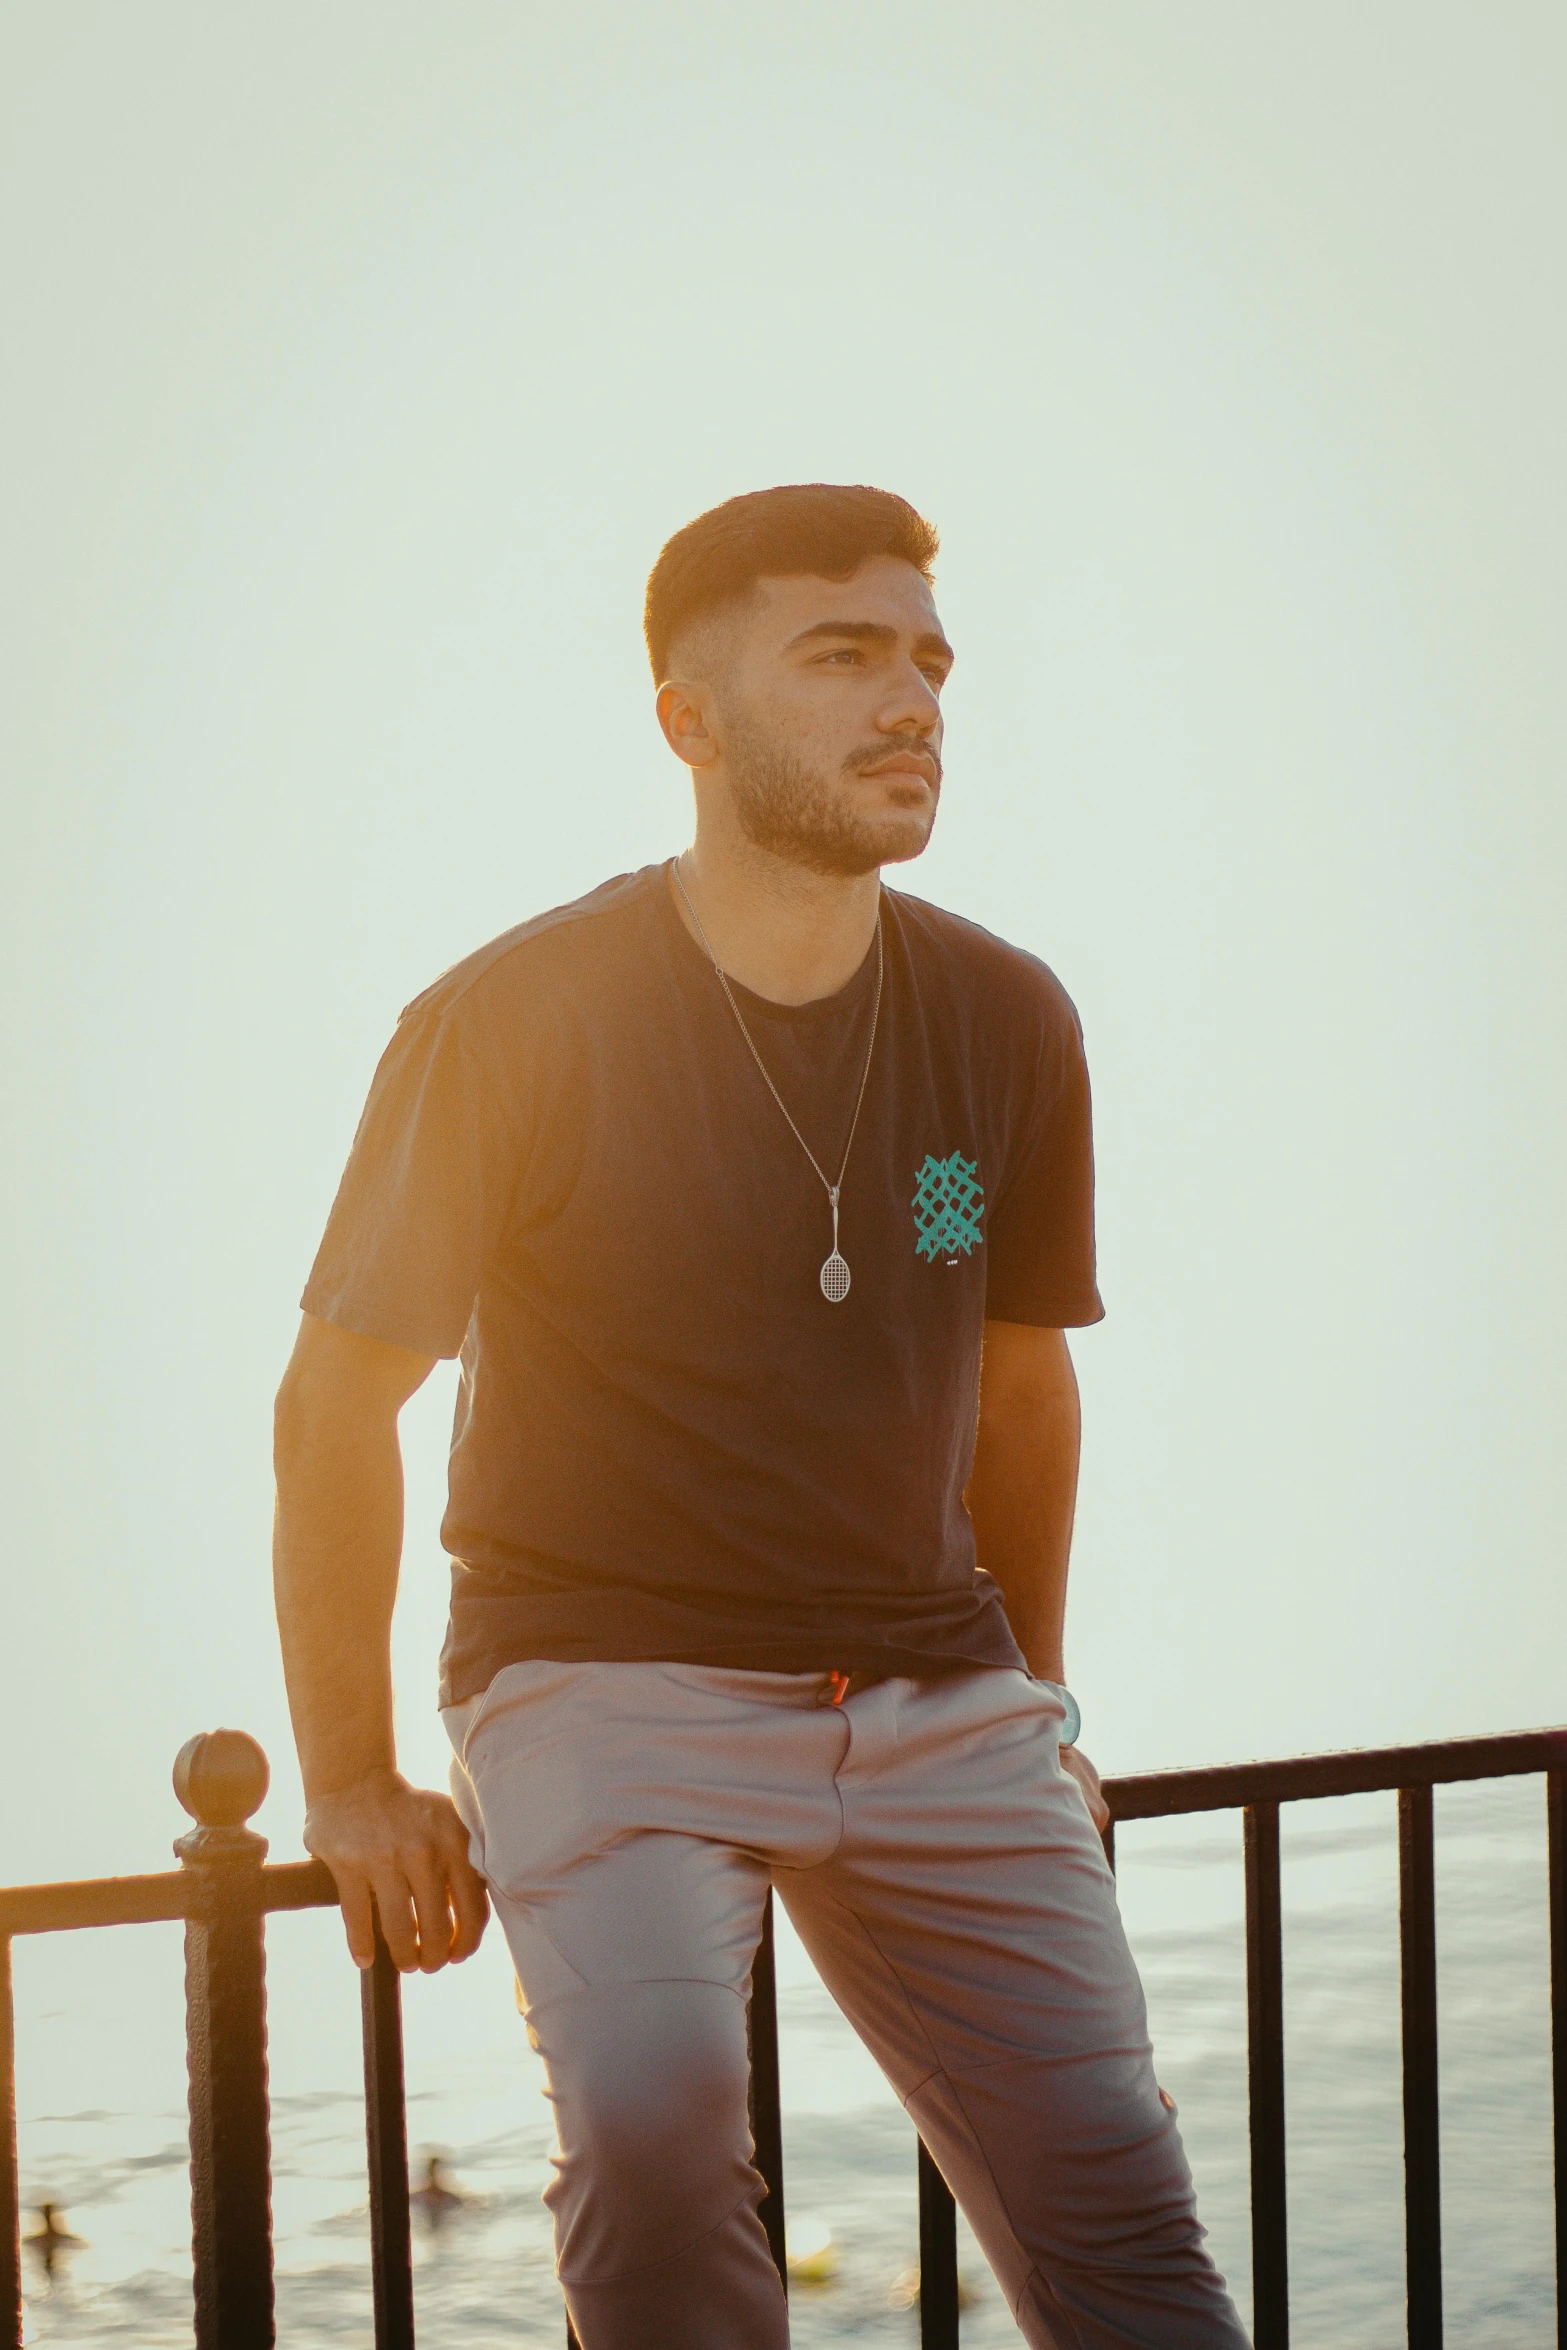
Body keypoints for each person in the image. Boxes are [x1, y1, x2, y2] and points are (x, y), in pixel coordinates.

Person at [273, 483, 1250, 2349]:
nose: (915, 700)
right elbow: (337, 1400)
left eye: (929, 659)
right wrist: (346, 1777)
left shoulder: (1001, 1019)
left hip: (939, 1696)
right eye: (843, 655)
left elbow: (1010, 1368)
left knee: (1123, 2207)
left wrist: (1033, 1698)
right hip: (600, 1682)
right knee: (648, 2156)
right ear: (689, 717)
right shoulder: (507, 1021)